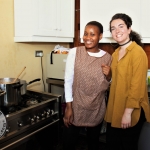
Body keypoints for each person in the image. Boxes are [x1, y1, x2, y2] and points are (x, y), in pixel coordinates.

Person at [63, 21, 112, 150]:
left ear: (100, 36)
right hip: (76, 106)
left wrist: (109, 76)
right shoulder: (74, 52)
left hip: (96, 108)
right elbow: (68, 80)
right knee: (69, 142)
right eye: (85, 34)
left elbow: (107, 84)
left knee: (93, 143)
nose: (87, 38)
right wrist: (68, 107)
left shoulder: (108, 58)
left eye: (92, 34)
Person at [104, 13, 150, 150]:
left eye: (121, 26)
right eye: (113, 28)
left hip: (130, 109)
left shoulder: (138, 53)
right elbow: (118, 80)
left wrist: (127, 113)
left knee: (128, 145)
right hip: (115, 107)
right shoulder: (116, 53)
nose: (117, 31)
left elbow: (137, 86)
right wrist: (109, 75)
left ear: (129, 29)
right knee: (113, 144)